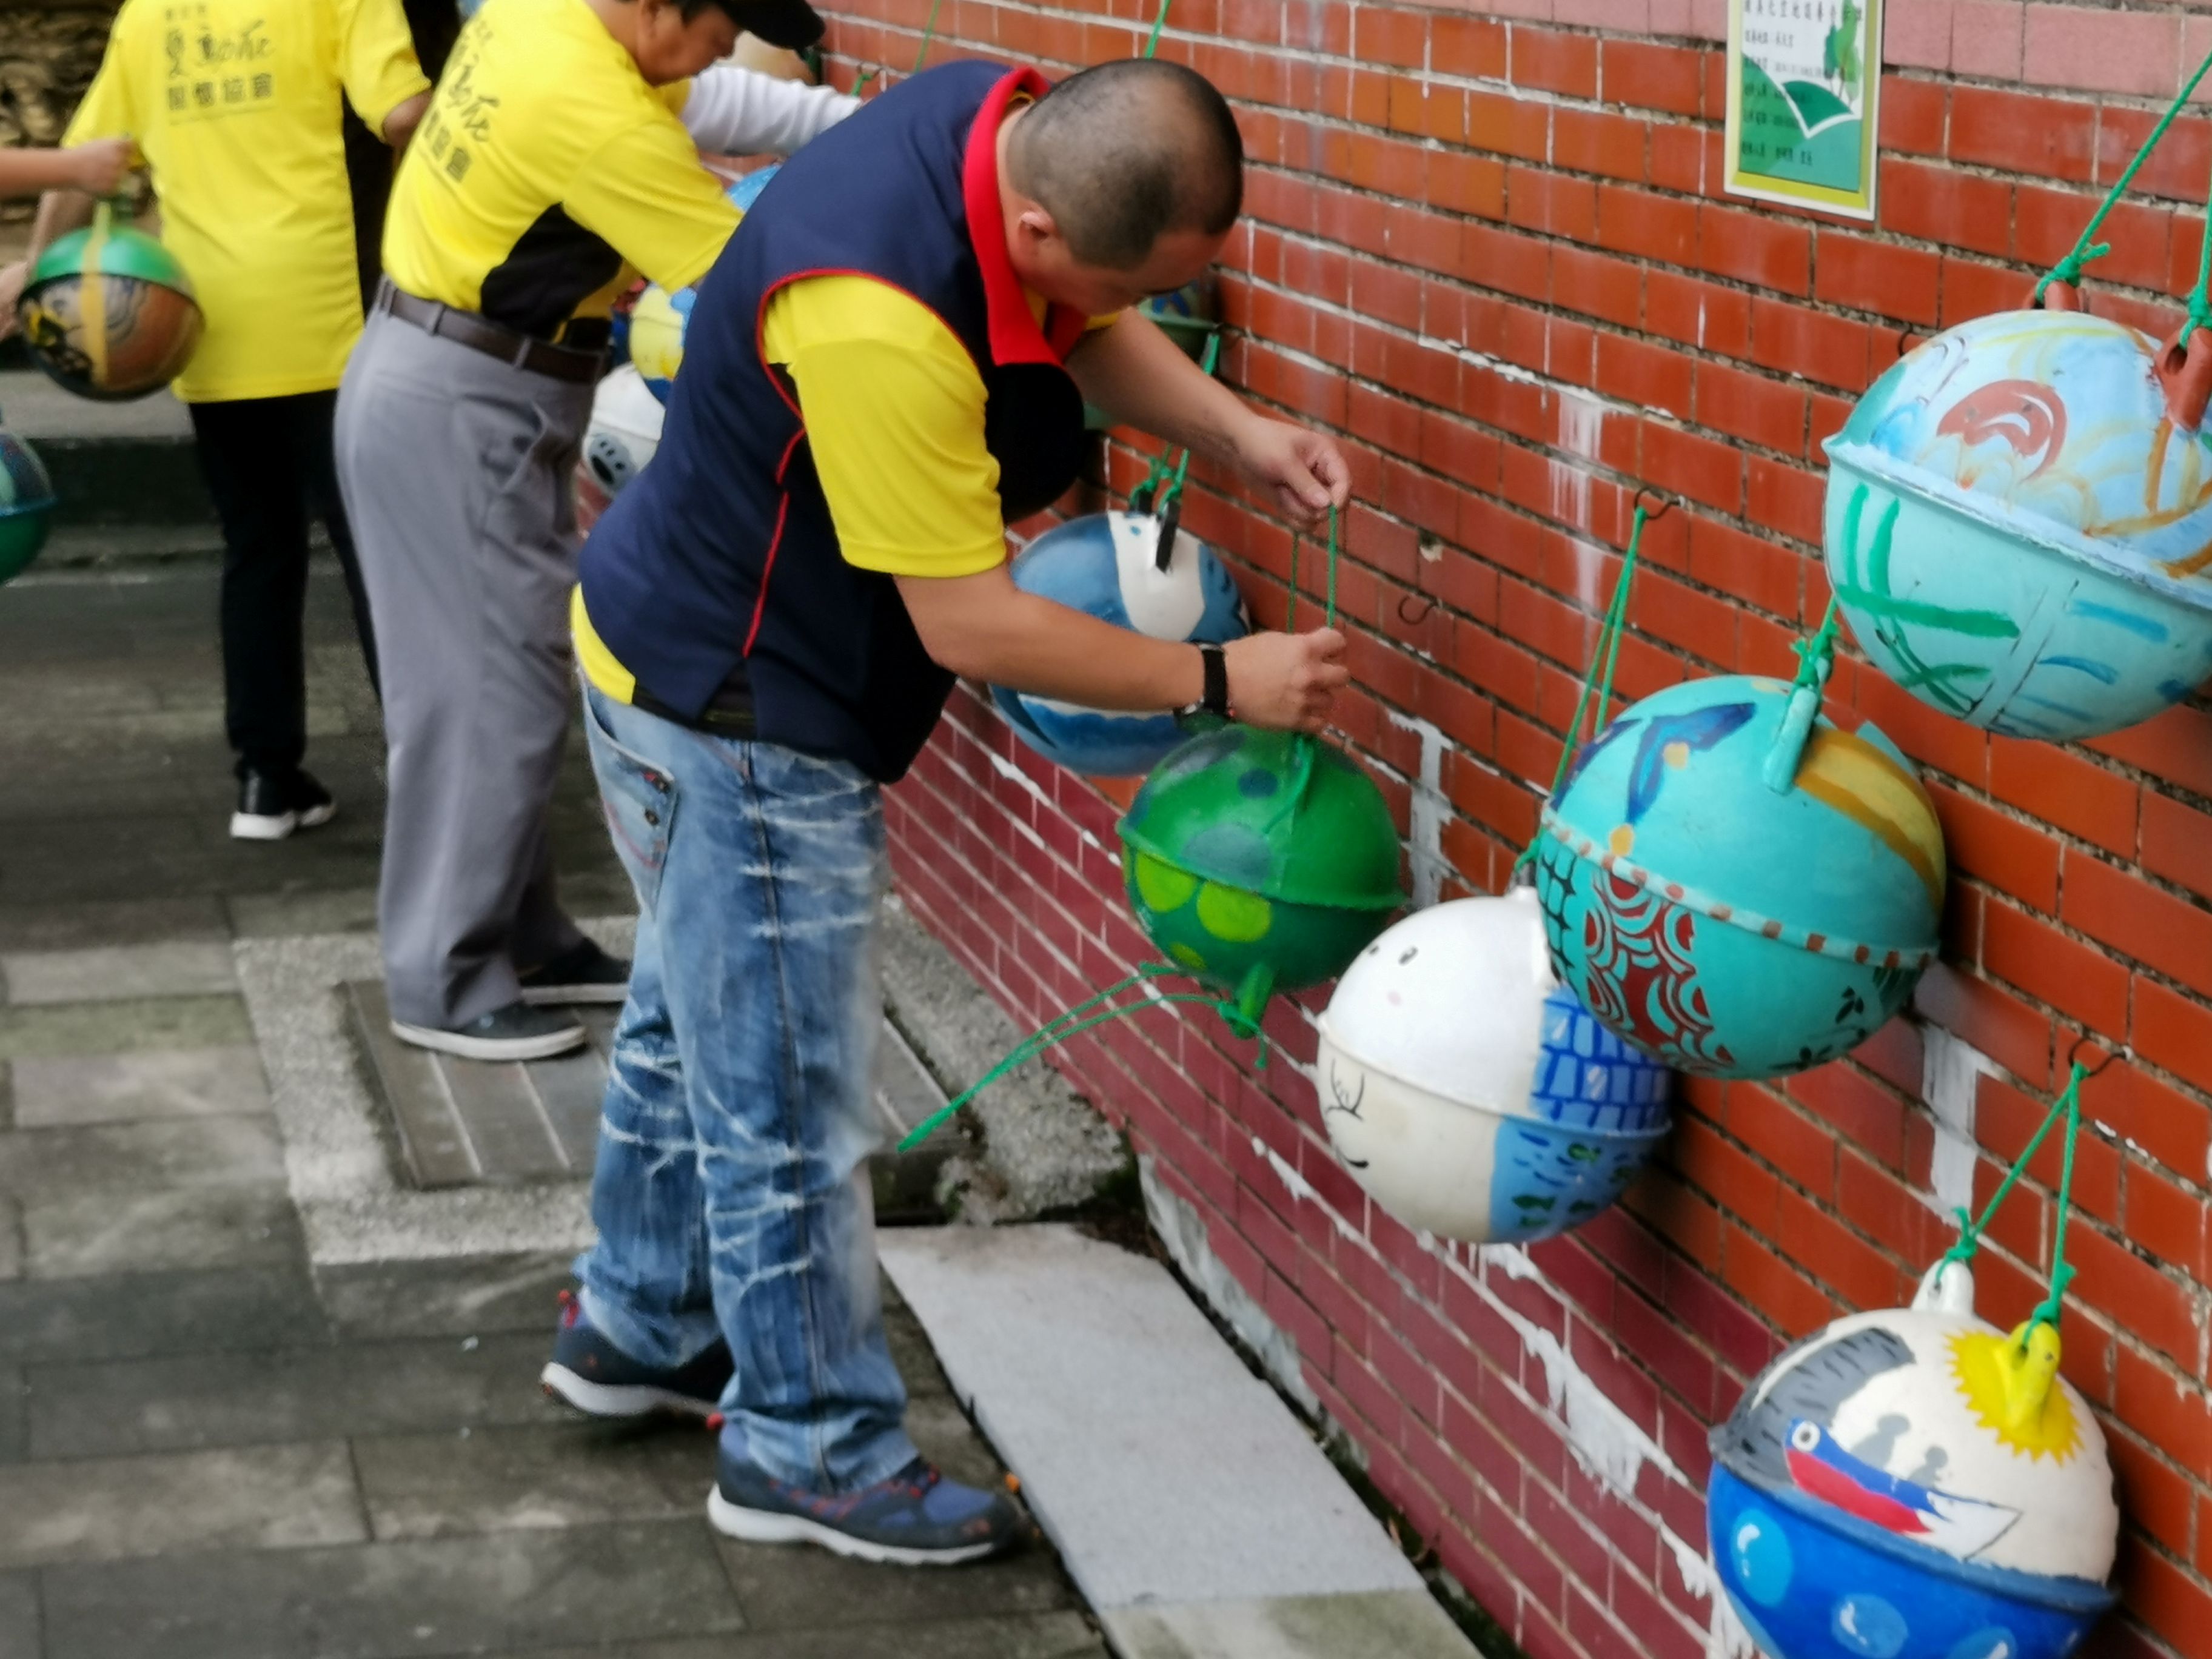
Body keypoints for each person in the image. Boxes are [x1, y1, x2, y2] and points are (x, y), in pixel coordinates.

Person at [548, 57, 1351, 1566]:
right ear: (1041, 228)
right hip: (738, 715)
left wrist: (1237, 432)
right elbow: (971, 624)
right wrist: (1218, 679)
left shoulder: (999, 123)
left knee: (685, 1017)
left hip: (659, 648)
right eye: (1131, 283)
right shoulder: (881, 318)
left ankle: (638, 1322)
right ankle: (806, 1451)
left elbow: (1086, 322)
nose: (1130, 314)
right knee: (783, 1101)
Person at [333, 0, 857, 1064]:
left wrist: (854, 123)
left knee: (504, 676)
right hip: (461, 400)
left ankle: (523, 937)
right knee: (486, 690)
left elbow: (712, 100)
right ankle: (443, 977)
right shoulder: (591, 107)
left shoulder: (552, 19)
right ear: (664, 6)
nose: (727, 51)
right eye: (722, 27)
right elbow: (752, 287)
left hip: (464, 379)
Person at [19, 0, 431, 843]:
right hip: (331, 328)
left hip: (204, 333)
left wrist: (35, 284)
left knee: (257, 552)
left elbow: (82, 167)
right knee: (379, 557)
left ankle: (266, 781)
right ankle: (428, 773)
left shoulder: (150, 16)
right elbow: (404, 116)